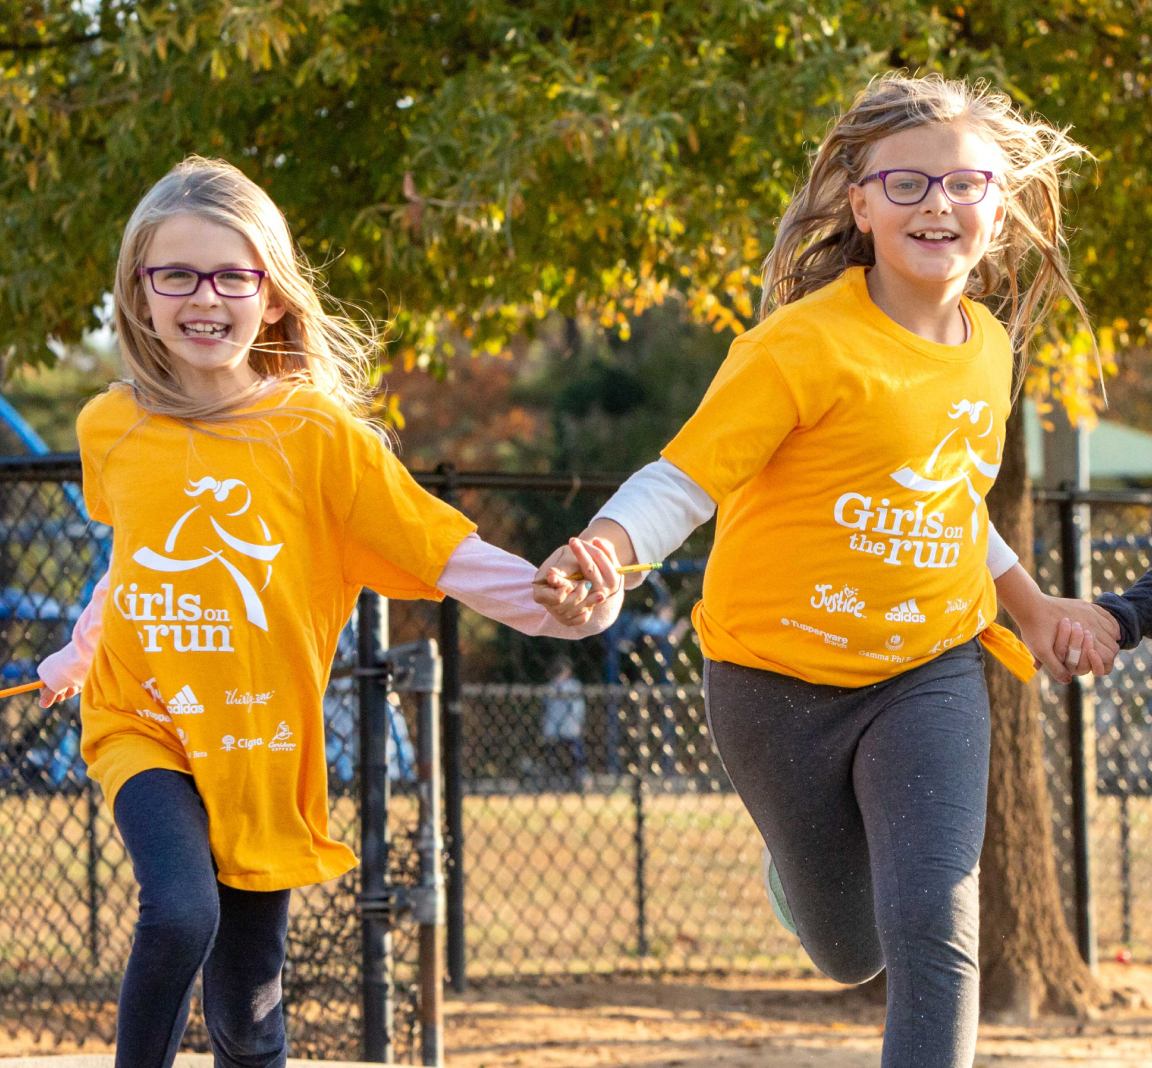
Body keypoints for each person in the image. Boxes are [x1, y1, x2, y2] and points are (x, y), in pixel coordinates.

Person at [534, 74, 1119, 1068]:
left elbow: (949, 502)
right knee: (850, 948)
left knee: (937, 933)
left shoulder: (987, 350)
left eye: (966, 184)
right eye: (907, 184)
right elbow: (685, 479)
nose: (938, 204)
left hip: (929, 670)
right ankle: (805, 873)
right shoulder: (800, 346)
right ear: (860, 203)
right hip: (774, 686)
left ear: (998, 203)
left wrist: (1031, 604)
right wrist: (607, 546)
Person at [34, 156, 624, 1068]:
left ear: (271, 296)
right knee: (182, 906)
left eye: (234, 275)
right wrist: (80, 655)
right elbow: (136, 569)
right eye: (177, 275)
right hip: (141, 725)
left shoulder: (319, 438)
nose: (205, 297)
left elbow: (440, 550)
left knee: (248, 1016)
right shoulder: (108, 425)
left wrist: (561, 610)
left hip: (263, 752)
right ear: (139, 293)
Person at [541, 654, 588, 786]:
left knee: (575, 755)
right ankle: (553, 781)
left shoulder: (571, 686)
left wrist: (577, 723)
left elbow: (577, 707)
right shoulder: (551, 687)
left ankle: (579, 779)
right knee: (556, 755)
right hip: (559, 727)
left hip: (568, 726)